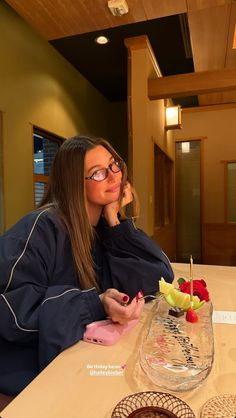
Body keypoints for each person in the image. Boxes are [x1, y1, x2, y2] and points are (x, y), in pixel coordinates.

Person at [0, 134, 174, 396]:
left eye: (114, 164)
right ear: (74, 184)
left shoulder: (103, 228)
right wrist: (95, 303)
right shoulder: (42, 228)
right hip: (33, 374)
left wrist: (116, 222)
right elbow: (12, 314)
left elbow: (158, 280)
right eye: (98, 173)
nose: (115, 176)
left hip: (85, 355)